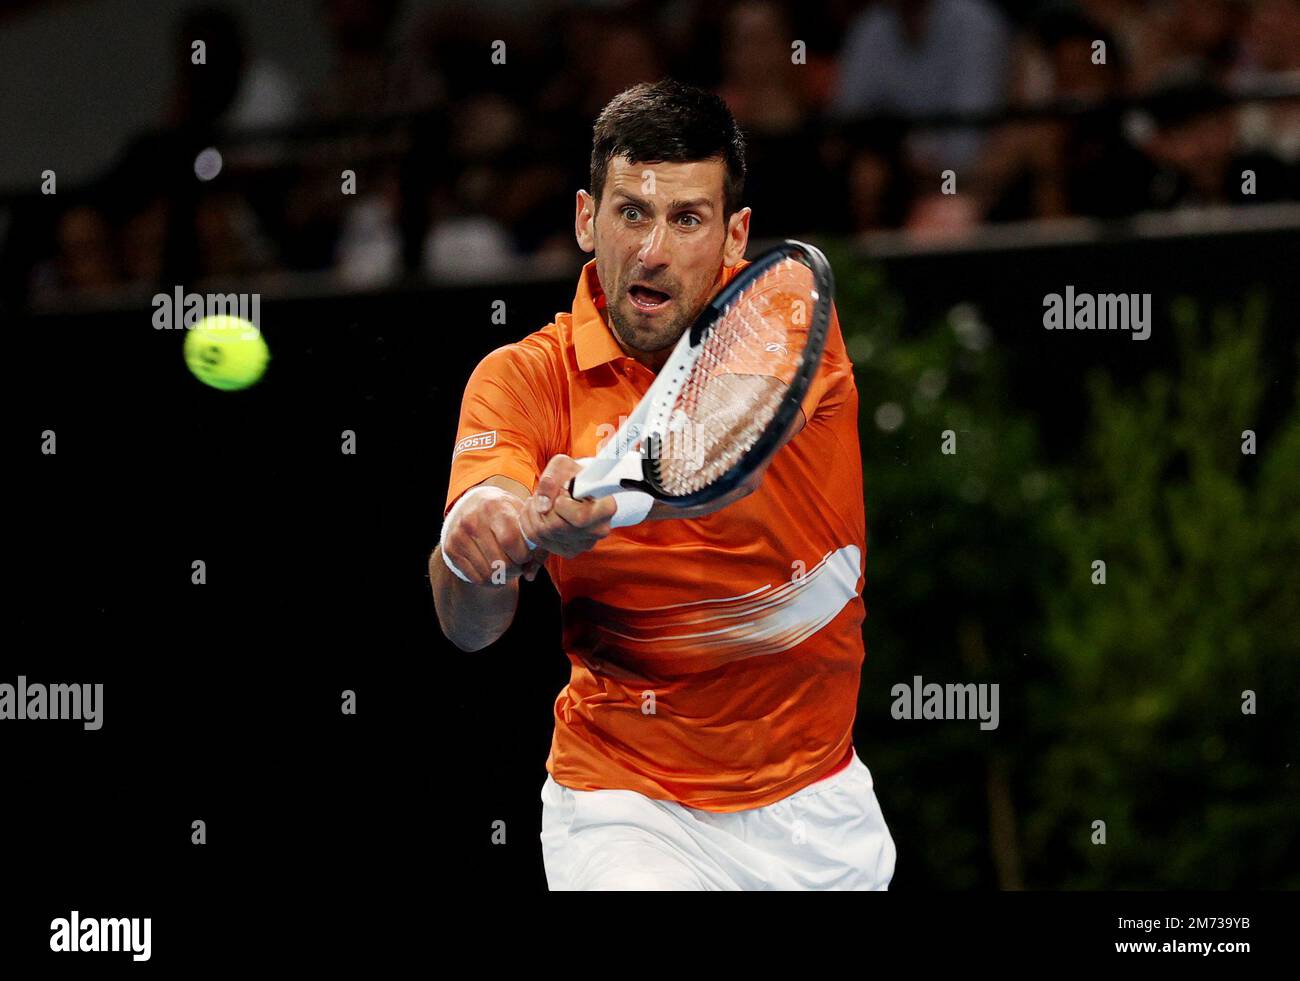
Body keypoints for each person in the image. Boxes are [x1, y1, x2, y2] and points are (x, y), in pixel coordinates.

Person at [431, 80, 895, 891]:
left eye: (687, 219)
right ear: (586, 219)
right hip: (624, 806)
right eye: (631, 213)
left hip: (819, 810)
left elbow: (699, 444)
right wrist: (481, 550)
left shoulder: (786, 327)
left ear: (734, 235)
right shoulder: (517, 381)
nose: (653, 250)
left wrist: (594, 505)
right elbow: (469, 626)